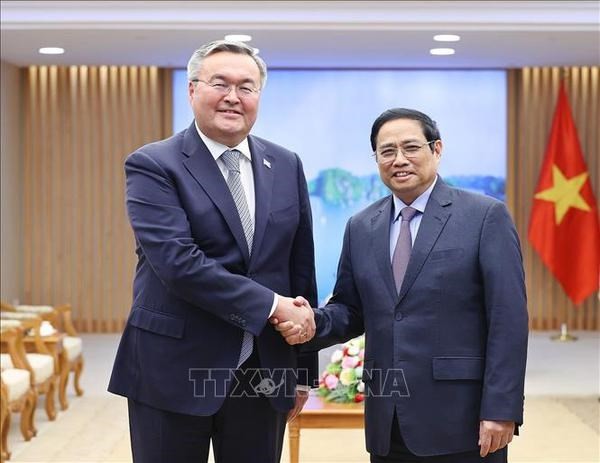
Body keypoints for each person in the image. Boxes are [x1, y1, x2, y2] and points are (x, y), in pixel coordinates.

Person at [274, 108, 528, 462]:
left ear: (436, 149)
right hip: (387, 419)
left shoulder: (484, 216)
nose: (399, 160)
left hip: (462, 417)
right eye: (387, 151)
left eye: (411, 147)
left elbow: (508, 318)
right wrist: (311, 322)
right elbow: (351, 309)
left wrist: (502, 408)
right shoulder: (362, 226)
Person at [108, 39, 317, 463]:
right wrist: (275, 305)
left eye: (247, 87)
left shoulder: (286, 163)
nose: (233, 97)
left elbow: (300, 269)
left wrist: (301, 374)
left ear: (259, 95)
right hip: (172, 366)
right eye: (219, 83)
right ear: (192, 90)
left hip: (262, 370)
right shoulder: (154, 164)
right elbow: (178, 263)